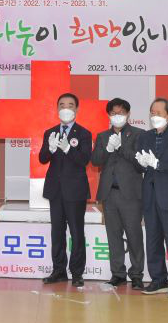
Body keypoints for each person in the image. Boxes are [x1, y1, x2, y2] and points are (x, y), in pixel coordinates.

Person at [91, 98, 145, 290]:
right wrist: (108, 149)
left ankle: (137, 274)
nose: (117, 116)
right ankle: (118, 274)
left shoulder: (139, 134)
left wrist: (122, 148)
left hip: (130, 194)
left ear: (128, 114)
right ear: (108, 115)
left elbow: (140, 164)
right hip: (109, 193)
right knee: (113, 236)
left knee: (134, 235)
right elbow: (95, 161)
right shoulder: (102, 136)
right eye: (113, 113)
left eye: (121, 113)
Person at [136, 97, 168, 297]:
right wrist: (141, 163)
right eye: (152, 112)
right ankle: (158, 279)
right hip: (150, 196)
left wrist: (158, 164)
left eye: (159, 113)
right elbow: (140, 164)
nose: (154, 116)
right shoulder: (145, 136)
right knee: (153, 239)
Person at [39, 93, 92, 287]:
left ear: (76, 109)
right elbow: (42, 158)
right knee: (57, 232)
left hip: (75, 190)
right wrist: (51, 149)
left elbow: (85, 160)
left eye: (70, 105)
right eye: (62, 105)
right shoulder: (50, 132)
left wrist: (69, 149)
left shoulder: (84, 133)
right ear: (57, 108)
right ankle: (59, 270)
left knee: (76, 232)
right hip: (55, 189)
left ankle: (77, 273)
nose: (66, 108)